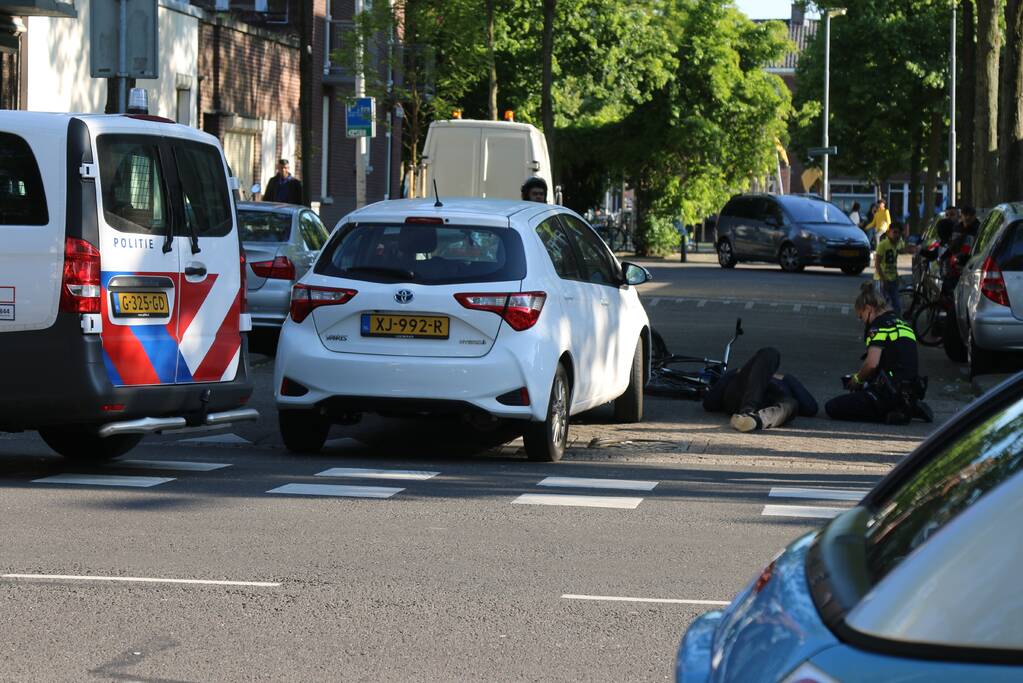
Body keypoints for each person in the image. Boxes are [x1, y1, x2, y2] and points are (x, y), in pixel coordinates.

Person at [825, 282, 927, 424]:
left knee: (832, 407)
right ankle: (908, 406)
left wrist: (857, 380)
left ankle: (896, 412)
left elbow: (872, 364)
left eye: (861, 316)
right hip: (910, 391)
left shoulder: (877, 327)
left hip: (888, 393)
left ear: (868, 309)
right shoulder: (903, 324)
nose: (862, 321)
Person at [703, 347, 818, 432]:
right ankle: (747, 412)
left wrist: (786, 377)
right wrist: (735, 372)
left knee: (792, 404)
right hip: (744, 395)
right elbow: (709, 403)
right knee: (770, 352)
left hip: (770, 404)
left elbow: (810, 407)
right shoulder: (740, 375)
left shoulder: (784, 380)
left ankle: (754, 420)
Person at [875, 220, 907, 316]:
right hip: (883, 279)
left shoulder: (898, 244)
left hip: (893, 279)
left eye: (899, 233)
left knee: (896, 306)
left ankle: (892, 321)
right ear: (888, 232)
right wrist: (883, 279)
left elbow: (902, 251)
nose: (897, 235)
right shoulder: (883, 245)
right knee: (884, 305)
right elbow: (877, 263)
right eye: (894, 232)